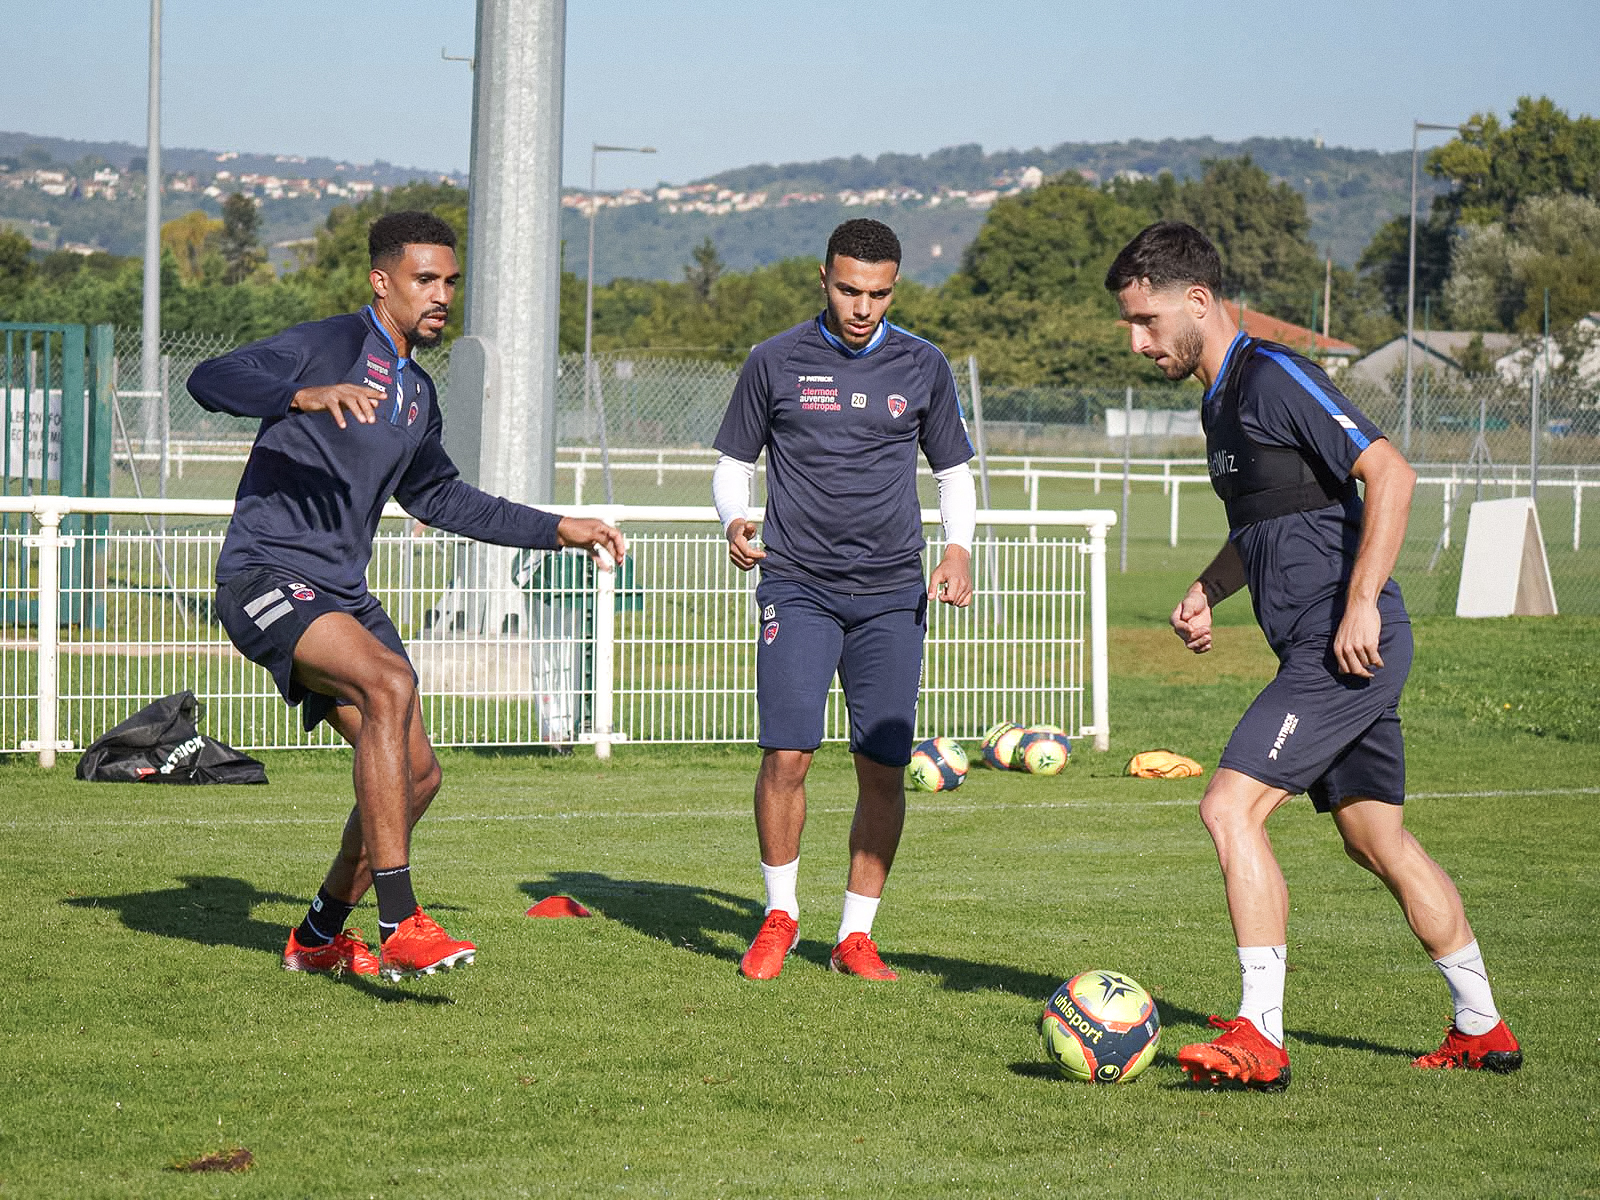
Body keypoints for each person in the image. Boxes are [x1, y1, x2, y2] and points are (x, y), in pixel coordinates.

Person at [1103, 221, 1521, 1088]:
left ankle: (1260, 1033)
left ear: (1198, 301)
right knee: (1379, 841)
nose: (1137, 341)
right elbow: (1261, 524)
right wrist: (1208, 589)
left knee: (1228, 808)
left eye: (1146, 321)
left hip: (1342, 646)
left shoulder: (1274, 375)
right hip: (1323, 647)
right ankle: (1481, 1025)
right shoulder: (1217, 400)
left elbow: (1392, 473)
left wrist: (1361, 601)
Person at [189, 211, 625, 982]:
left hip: (340, 594)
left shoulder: (416, 395)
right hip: (263, 576)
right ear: (381, 281)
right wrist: (302, 394)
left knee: (419, 775)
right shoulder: (326, 346)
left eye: (450, 281)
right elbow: (210, 378)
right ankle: (400, 921)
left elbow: (447, 501)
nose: (442, 295)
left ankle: (319, 935)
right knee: (388, 683)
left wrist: (563, 527)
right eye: (426, 279)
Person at [711, 218, 977, 981]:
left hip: (894, 592)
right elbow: (732, 462)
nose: (863, 306)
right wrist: (735, 517)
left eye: (879, 293)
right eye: (849, 290)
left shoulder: (923, 364)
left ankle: (855, 935)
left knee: (882, 766)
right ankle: (780, 916)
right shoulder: (774, 360)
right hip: (796, 583)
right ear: (823, 280)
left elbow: (953, 471)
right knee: (787, 753)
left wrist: (957, 547)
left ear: (894, 288)